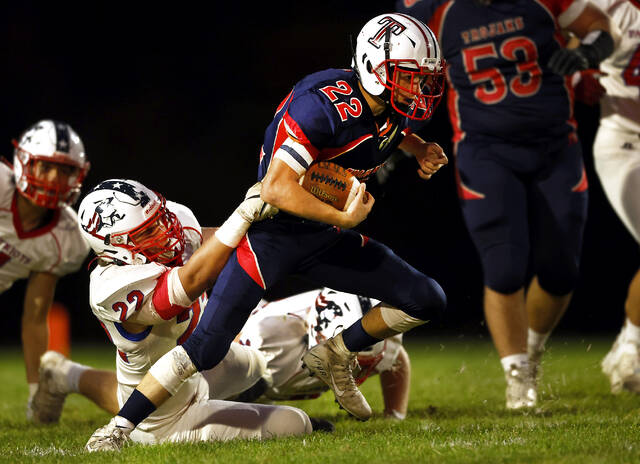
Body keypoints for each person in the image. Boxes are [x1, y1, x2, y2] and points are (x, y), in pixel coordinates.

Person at [86, 12, 449, 451]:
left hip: (320, 234)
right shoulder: (323, 105)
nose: (419, 90)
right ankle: (119, 428)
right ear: (374, 69)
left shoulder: (383, 104)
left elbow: (388, 129)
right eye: (409, 78)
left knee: (426, 297)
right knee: (206, 347)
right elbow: (275, 188)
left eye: (424, 79)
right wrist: (344, 219)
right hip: (272, 237)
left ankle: (335, 352)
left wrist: (417, 147)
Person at [396, 0, 616, 408]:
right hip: (485, 152)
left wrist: (586, 54)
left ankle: (531, 351)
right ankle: (517, 374)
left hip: (555, 148)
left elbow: (601, 27)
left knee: (561, 270)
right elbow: (410, 77)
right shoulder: (439, 13)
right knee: (505, 265)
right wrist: (397, 139)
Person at [59, 178, 320, 448]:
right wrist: (243, 214)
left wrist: (279, 221)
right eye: (149, 232)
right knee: (295, 423)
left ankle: (63, 374)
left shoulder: (169, 231)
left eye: (160, 218)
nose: (165, 231)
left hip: (195, 367)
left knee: (258, 367)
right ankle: (115, 411)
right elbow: (192, 280)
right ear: (115, 246)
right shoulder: (111, 286)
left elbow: (220, 244)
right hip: (162, 413)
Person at [36, 288, 410, 421]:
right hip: (220, 346)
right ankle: (62, 373)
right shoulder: (274, 335)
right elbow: (225, 361)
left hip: (249, 360)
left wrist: (395, 416)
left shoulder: (381, 345)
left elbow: (398, 361)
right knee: (146, 407)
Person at [0, 120, 91, 419]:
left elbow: (35, 318)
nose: (55, 178)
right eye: (47, 167)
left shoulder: (66, 236)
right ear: (24, 162)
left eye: (65, 170)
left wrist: (35, 394)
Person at [572, 0, 640, 394]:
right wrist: (581, 75)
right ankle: (629, 347)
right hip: (625, 140)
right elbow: (564, 48)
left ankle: (628, 346)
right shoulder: (602, 5)